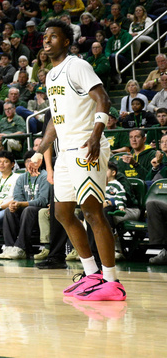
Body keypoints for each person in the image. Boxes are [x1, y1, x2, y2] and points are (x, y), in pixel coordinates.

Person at [29, 21, 125, 300]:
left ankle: (111, 281)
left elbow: (103, 99)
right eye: (44, 37)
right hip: (65, 151)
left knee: (93, 212)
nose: (46, 41)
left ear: (67, 41)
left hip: (86, 146)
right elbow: (55, 121)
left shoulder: (78, 66)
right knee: (62, 213)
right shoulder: (50, 76)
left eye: (53, 36)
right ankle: (91, 273)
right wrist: (39, 151)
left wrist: (97, 134)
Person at [0, 154, 51, 259]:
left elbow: (43, 200)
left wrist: (22, 204)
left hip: (40, 209)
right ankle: (9, 246)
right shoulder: (22, 177)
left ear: (39, 163)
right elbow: (18, 197)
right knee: (9, 211)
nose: (30, 164)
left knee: (28, 210)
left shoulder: (44, 176)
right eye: (27, 161)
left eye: (33, 161)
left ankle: (20, 247)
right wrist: (15, 205)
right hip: (25, 208)